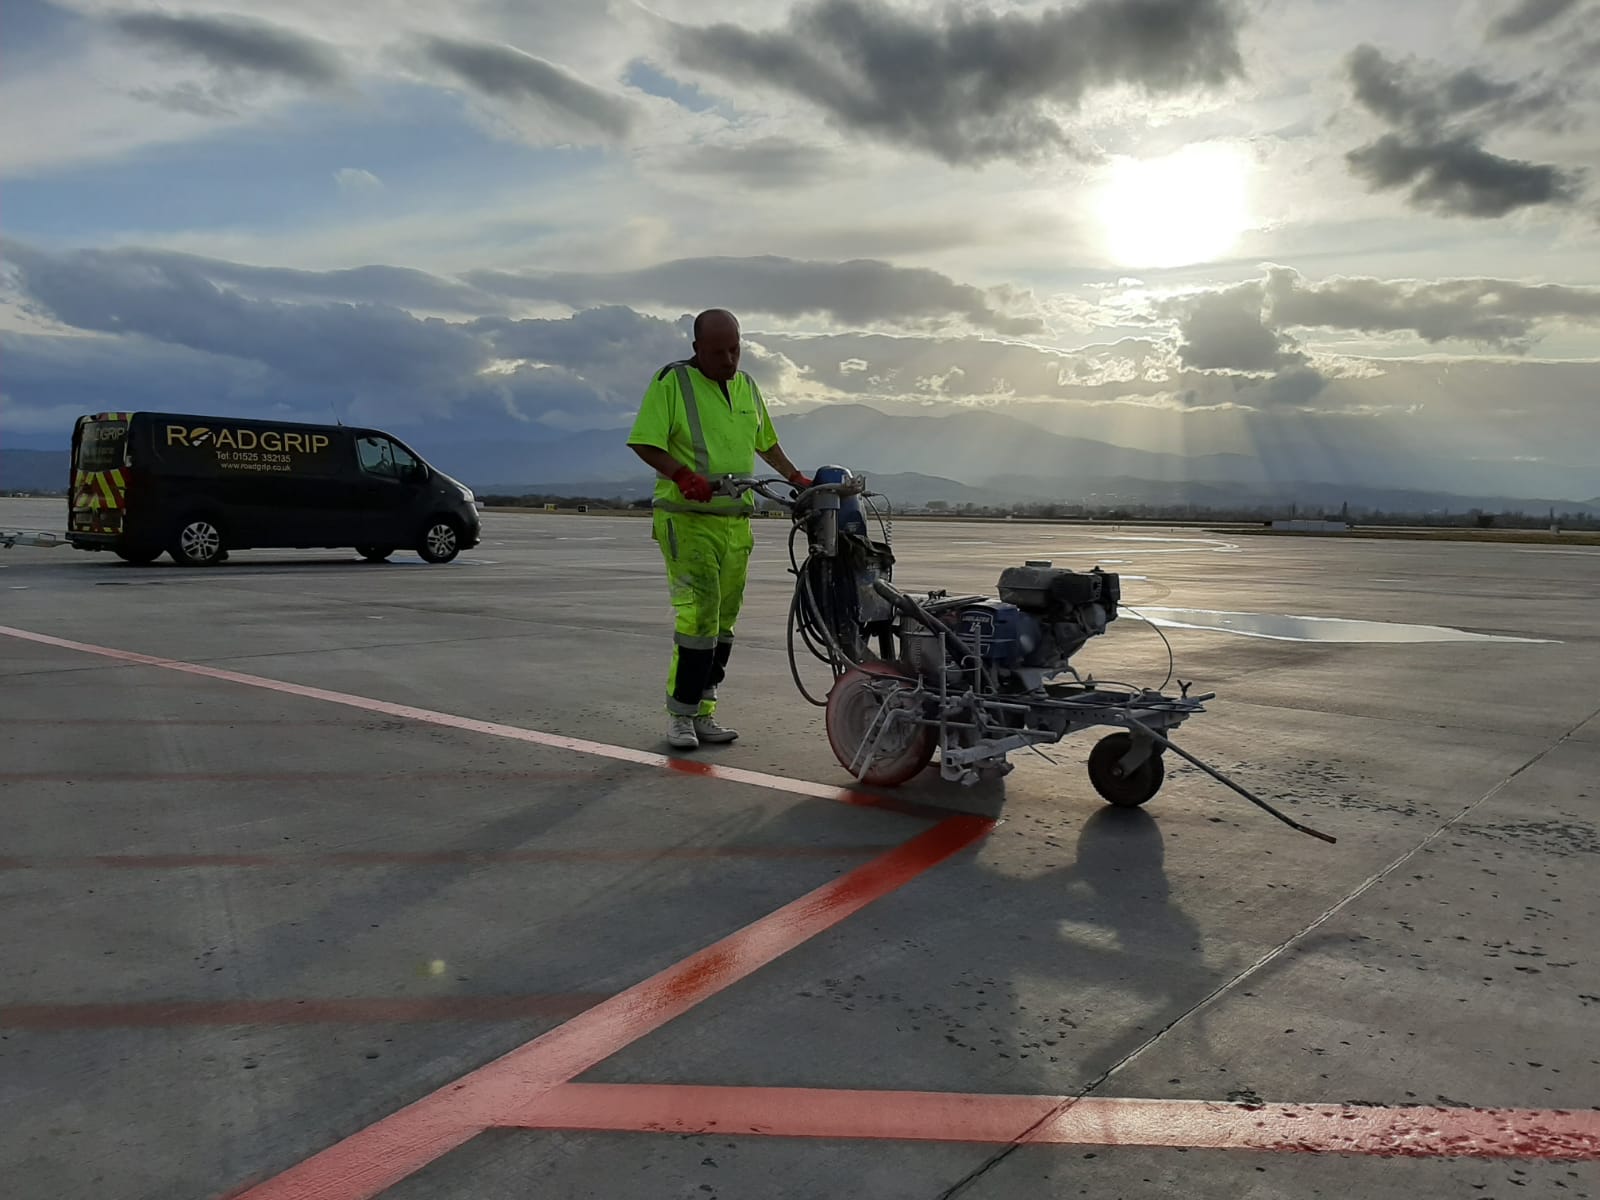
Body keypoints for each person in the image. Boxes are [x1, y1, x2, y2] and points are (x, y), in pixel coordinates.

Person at [627, 309, 811, 750]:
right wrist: (682, 475)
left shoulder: (747, 386)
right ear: (696, 350)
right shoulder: (672, 382)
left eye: (735, 349)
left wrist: (797, 479)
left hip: (734, 522)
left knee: (725, 621)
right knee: (699, 617)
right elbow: (645, 441)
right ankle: (680, 714)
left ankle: (704, 710)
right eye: (718, 352)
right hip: (687, 521)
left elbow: (765, 441)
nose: (729, 360)